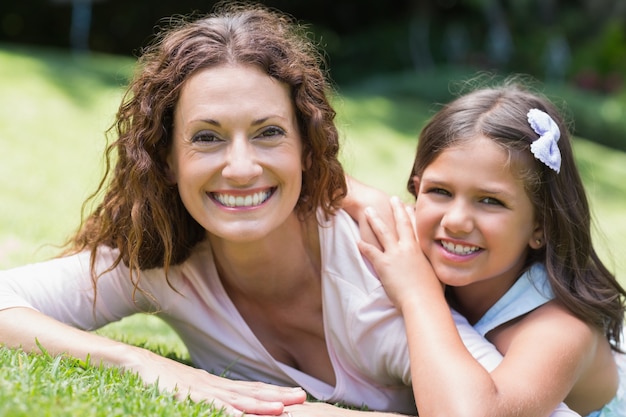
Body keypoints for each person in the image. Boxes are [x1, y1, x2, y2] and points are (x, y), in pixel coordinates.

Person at [0, 4, 515, 417]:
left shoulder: (374, 269)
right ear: (168, 160)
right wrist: (146, 363)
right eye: (207, 137)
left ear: (306, 150)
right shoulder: (164, 266)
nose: (241, 168)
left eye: (269, 133)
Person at [359, 82, 626, 417]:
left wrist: (418, 295)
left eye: (490, 201)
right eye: (439, 191)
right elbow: (350, 194)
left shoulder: (561, 327)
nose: (456, 221)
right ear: (417, 190)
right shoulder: (426, 234)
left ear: (539, 226)